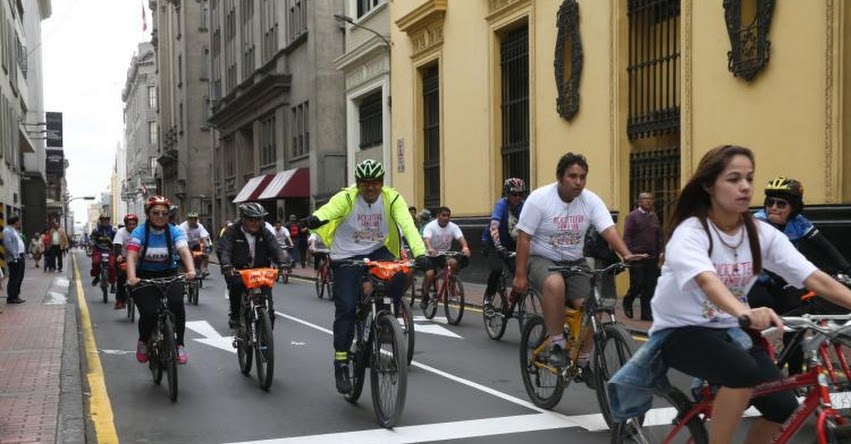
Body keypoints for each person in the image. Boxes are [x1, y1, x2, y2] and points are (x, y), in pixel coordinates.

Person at [630, 145, 851, 443]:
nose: (745, 186)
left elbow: (812, 277)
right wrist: (743, 312)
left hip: (732, 331)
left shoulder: (760, 233)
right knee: (741, 371)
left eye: (749, 178)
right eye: (734, 179)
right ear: (709, 185)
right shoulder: (691, 232)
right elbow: (709, 281)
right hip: (681, 330)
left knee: (783, 406)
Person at [303, 159, 428, 394]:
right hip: (346, 256)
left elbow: (408, 226)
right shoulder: (348, 197)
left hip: (377, 250)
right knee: (347, 308)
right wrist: (316, 219)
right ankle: (341, 363)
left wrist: (421, 253)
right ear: (358, 184)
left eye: (375, 183)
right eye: (365, 183)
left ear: (382, 183)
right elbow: (329, 210)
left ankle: (384, 320)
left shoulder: (392, 198)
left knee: (403, 272)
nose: (370, 188)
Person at [512, 152, 642, 370]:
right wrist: (520, 275)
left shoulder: (590, 200)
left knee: (593, 307)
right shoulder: (539, 199)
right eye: (572, 176)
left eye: (582, 177)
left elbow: (608, 229)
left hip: (574, 261)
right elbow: (524, 238)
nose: (578, 182)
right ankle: (556, 343)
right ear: (560, 177)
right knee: (555, 284)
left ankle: (582, 361)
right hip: (542, 257)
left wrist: (626, 254)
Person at [747, 176, 851, 376]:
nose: (773, 208)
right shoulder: (758, 222)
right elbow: (761, 259)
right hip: (756, 283)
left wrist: (846, 269)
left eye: (781, 204)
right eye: (770, 202)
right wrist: (783, 279)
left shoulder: (798, 223)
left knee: (798, 322)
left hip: (780, 282)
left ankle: (795, 378)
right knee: (758, 323)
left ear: (793, 208)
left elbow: (825, 247)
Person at [126, 196, 196, 365]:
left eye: (164, 213)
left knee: (177, 305)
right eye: (155, 213)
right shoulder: (139, 232)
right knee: (149, 313)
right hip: (144, 277)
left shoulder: (174, 231)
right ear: (148, 214)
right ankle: (143, 341)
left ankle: (179, 345)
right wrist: (132, 277)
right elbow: (131, 256)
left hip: (169, 274)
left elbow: (184, 250)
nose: (160, 216)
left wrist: (191, 270)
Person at [218, 203, 287, 328]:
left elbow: (275, 247)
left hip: (259, 272)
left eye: (259, 219)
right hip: (240, 270)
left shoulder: (264, 231)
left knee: (269, 309)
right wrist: (227, 265)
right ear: (243, 219)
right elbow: (225, 250)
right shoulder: (232, 231)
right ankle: (235, 316)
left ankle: (265, 336)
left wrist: (282, 263)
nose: (256, 223)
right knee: (236, 287)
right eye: (252, 220)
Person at [481, 177, 526, 302]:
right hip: (493, 243)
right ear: (507, 193)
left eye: (521, 194)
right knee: (496, 269)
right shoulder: (501, 204)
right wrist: (498, 246)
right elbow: (494, 225)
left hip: (511, 243)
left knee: (520, 271)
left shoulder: (524, 206)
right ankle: (489, 298)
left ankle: (515, 295)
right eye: (514, 194)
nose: (518, 197)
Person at [621, 191, 663, 321]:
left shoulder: (654, 216)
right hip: (637, 257)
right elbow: (627, 236)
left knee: (650, 287)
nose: (648, 201)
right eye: (645, 199)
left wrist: (661, 252)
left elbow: (658, 236)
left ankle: (646, 314)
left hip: (652, 257)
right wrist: (629, 254)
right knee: (637, 284)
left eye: (650, 199)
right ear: (639, 202)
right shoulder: (632, 217)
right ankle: (627, 301)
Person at [419, 206, 471, 307]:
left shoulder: (453, 227)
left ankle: (452, 286)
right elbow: (427, 239)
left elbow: (461, 238)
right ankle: (425, 296)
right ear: (438, 216)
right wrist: (430, 248)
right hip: (430, 254)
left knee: (454, 263)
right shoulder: (430, 226)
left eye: (448, 216)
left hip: (444, 254)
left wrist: (465, 247)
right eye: (444, 215)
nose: (446, 218)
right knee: (430, 274)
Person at [112, 214, 139, 310]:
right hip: (123, 257)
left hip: (136, 257)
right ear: (126, 225)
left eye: (134, 224)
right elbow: (117, 245)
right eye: (129, 224)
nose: (132, 226)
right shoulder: (120, 232)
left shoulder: (139, 232)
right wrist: (119, 255)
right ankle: (120, 300)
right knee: (121, 278)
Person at [178, 211, 212, 277]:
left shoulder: (200, 226)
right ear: (187, 219)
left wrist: (207, 247)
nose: (193, 221)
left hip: (196, 243)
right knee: (185, 256)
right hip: (185, 243)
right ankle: (185, 270)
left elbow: (204, 237)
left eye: (195, 219)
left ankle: (204, 269)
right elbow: (185, 242)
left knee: (204, 254)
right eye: (191, 219)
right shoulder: (182, 227)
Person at [90, 214, 117, 292]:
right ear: (100, 220)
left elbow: (117, 241)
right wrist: (91, 247)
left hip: (110, 251)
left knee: (112, 267)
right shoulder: (96, 230)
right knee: (95, 263)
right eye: (103, 220)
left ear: (109, 220)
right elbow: (92, 240)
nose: (105, 221)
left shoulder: (113, 230)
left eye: (106, 219)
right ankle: (97, 276)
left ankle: (113, 285)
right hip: (98, 251)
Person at [2, 214, 26, 304]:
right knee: (14, 278)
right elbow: (8, 244)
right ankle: (11, 297)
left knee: (19, 277)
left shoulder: (14, 230)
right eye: (18, 221)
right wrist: (15, 254)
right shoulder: (7, 231)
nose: (19, 223)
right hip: (14, 258)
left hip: (20, 256)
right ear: (15, 222)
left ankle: (16, 295)